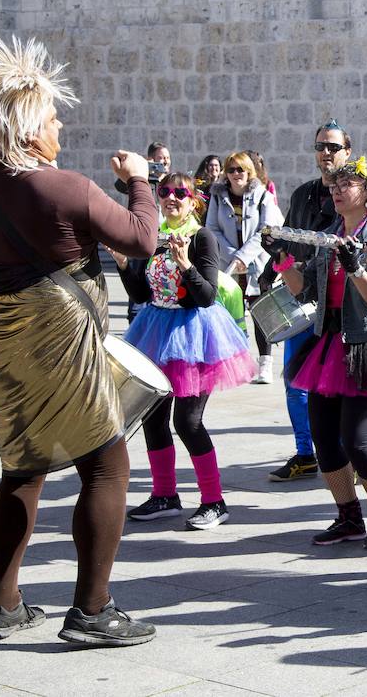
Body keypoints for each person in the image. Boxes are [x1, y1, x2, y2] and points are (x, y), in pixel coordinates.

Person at [0, 36, 157, 646]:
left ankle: (2, 605)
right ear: (31, 126)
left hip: (1, 345)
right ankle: (92, 611)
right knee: (106, 465)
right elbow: (141, 240)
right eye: (54, 116)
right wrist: (140, 182)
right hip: (63, 341)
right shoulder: (65, 186)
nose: (60, 124)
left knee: (21, 467)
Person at [279, 158, 367, 549]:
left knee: (357, 440)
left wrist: (357, 268)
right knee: (324, 439)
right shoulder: (328, 236)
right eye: (335, 183)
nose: (338, 189)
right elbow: (302, 291)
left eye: (349, 182)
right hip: (328, 343)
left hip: (366, 346)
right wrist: (282, 260)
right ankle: (348, 516)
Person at [112, 174, 256, 529]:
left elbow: (206, 296)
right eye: (165, 192)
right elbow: (142, 294)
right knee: (153, 418)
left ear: (194, 201)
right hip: (155, 331)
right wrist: (122, 264)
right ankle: (165, 495)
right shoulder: (155, 235)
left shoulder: (201, 237)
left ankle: (214, 501)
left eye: (180, 193)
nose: (171, 198)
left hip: (195, 335)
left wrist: (185, 263)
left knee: (187, 422)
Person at [266, 120, 348, 482]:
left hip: (339, 305)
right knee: (295, 380)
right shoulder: (303, 194)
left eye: (333, 146)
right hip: (301, 296)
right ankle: (305, 453)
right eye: (320, 147)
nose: (326, 153)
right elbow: (288, 238)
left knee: (341, 384)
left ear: (348, 150)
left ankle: (349, 455)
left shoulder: (358, 193)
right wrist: (276, 258)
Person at [205, 151, 283, 384]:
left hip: (256, 265)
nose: (236, 174)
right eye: (231, 169)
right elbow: (211, 229)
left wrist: (244, 257)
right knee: (228, 315)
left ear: (250, 172)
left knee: (261, 315)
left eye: (241, 169)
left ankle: (265, 365)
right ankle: (235, 365)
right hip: (228, 266)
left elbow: (266, 229)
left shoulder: (262, 196)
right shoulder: (218, 197)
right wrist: (232, 257)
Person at [192, 154, 222, 222]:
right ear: (206, 167)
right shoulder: (200, 185)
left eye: (216, 165)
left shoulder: (224, 185)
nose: (214, 168)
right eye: (211, 165)